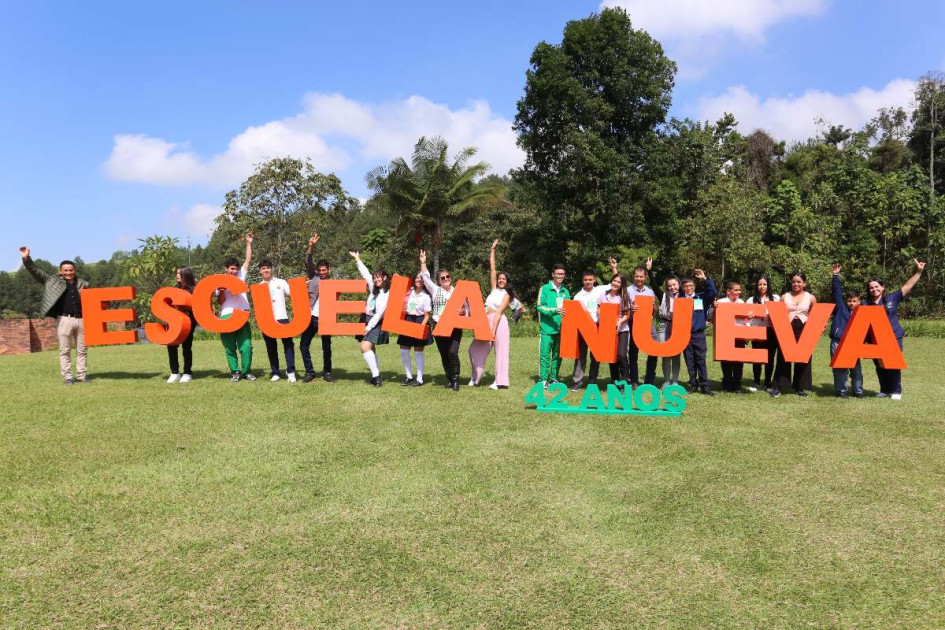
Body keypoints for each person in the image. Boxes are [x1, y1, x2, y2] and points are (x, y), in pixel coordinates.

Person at [19, 246, 90, 384]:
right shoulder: (52, 281)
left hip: (83, 320)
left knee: (82, 350)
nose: (68, 272)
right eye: (66, 270)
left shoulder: (83, 284)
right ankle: (68, 377)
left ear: (74, 271)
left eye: (71, 270)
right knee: (65, 350)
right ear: (61, 271)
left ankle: (82, 375)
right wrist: (26, 258)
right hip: (64, 319)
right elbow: (36, 272)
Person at [866, 259, 925, 400]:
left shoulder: (892, 298)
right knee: (880, 365)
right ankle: (885, 390)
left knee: (893, 364)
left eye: (876, 286)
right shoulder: (865, 304)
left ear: (883, 287)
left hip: (893, 336)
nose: (874, 289)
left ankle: (896, 391)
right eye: (871, 288)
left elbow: (908, 286)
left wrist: (918, 272)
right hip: (875, 339)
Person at [468, 239, 513, 389]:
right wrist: (492, 250)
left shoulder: (507, 295)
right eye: (499, 279)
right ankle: (476, 376)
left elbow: (499, 313)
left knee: (501, 352)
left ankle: (500, 382)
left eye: (503, 279)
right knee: (474, 349)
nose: (500, 280)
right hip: (485, 319)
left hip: (498, 322)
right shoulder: (494, 289)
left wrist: (492, 331)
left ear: (507, 282)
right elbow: (492, 268)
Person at [570, 258, 619, 391]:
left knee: (595, 355)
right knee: (581, 355)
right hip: (583, 328)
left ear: (595, 279)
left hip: (597, 327)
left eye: (590, 279)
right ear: (582, 280)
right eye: (586, 280)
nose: (588, 282)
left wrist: (614, 267)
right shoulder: (578, 296)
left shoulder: (600, 290)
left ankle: (592, 379)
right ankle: (577, 380)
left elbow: (615, 282)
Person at [420, 250, 465, 391]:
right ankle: (449, 379)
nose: (446, 279)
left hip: (455, 326)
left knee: (452, 352)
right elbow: (426, 279)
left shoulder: (458, 290)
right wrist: (423, 262)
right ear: (439, 281)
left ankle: (456, 379)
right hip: (439, 325)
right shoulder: (435, 290)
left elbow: (468, 308)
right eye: (442, 278)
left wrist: (464, 312)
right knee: (444, 353)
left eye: (447, 277)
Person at [771, 271, 816, 398]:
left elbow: (814, 315)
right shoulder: (784, 297)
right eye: (793, 282)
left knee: (803, 357)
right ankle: (778, 386)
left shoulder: (811, 298)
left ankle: (799, 386)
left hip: (804, 329)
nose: (796, 284)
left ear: (804, 283)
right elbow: (779, 313)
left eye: (799, 282)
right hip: (787, 328)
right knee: (782, 357)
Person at [218, 232, 255, 382]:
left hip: (242, 315)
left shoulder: (241, 276)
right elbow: (220, 301)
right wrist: (221, 290)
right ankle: (235, 372)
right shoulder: (218, 281)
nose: (234, 271)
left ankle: (247, 371)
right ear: (225, 268)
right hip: (226, 315)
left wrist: (248, 243)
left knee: (246, 346)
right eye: (231, 269)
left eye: (235, 269)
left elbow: (248, 260)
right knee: (229, 347)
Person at [351, 251, 390, 387]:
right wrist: (357, 259)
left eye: (378, 277)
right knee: (370, 348)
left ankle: (376, 376)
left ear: (385, 278)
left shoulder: (387, 294)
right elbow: (365, 273)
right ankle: (376, 374)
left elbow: (379, 314)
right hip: (366, 317)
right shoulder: (373, 288)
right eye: (375, 278)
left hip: (376, 321)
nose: (375, 280)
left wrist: (368, 327)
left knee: (364, 346)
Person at [300, 234, 334, 383]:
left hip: (326, 318)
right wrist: (311, 246)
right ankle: (310, 372)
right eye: (320, 270)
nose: (321, 273)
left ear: (329, 270)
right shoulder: (313, 277)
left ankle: (327, 372)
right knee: (303, 345)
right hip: (311, 317)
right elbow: (308, 261)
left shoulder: (334, 284)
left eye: (324, 270)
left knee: (326, 347)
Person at [257, 259, 297, 383]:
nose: (266, 270)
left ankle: (290, 371)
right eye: (263, 268)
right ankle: (275, 372)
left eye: (268, 267)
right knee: (271, 347)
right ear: (260, 271)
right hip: (267, 320)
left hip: (282, 317)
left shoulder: (281, 282)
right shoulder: (258, 287)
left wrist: (301, 287)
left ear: (272, 269)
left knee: (288, 345)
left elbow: (293, 294)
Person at [679, 269, 717, 396]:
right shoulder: (680, 299)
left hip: (698, 334)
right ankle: (693, 384)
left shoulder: (701, 297)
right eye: (686, 286)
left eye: (690, 286)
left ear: (694, 286)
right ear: (683, 287)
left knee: (700, 360)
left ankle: (705, 386)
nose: (688, 288)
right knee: (689, 360)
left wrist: (704, 278)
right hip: (684, 335)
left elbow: (713, 292)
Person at [829, 264, 863, 398]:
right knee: (840, 369)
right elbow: (837, 292)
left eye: (855, 301)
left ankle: (858, 391)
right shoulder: (841, 308)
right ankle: (841, 391)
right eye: (849, 301)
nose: (852, 303)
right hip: (838, 342)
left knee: (856, 370)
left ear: (859, 301)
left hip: (853, 343)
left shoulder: (862, 313)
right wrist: (836, 276)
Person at [536, 264, 571, 388]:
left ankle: (553, 378)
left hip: (561, 330)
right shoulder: (544, 288)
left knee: (557, 356)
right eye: (558, 273)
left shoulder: (565, 291)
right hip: (546, 329)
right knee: (545, 355)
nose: (560, 276)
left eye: (562, 274)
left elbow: (570, 310)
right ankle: (543, 380)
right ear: (553, 274)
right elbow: (539, 306)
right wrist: (555, 310)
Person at [627, 260, 659, 386]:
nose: (639, 278)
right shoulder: (627, 290)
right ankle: (634, 380)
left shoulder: (650, 291)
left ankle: (650, 378)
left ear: (645, 277)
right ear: (633, 277)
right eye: (636, 276)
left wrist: (653, 307)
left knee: (654, 349)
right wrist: (631, 309)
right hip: (633, 323)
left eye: (641, 276)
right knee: (633, 353)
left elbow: (653, 311)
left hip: (647, 324)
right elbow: (622, 308)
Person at [397, 273, 433, 386]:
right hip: (407, 320)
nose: (419, 280)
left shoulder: (426, 296)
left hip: (419, 321)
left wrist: (421, 327)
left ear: (425, 282)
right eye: (417, 277)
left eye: (421, 278)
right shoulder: (408, 292)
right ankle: (408, 376)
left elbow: (427, 315)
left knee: (418, 351)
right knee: (403, 350)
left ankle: (420, 378)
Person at [745, 276, 780, 393]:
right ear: (756, 286)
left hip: (771, 331)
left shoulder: (775, 298)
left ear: (768, 285)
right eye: (759, 284)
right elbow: (745, 318)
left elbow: (781, 315)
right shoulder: (751, 300)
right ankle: (756, 382)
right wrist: (748, 317)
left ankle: (768, 382)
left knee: (769, 357)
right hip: (757, 330)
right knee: (757, 358)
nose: (762, 286)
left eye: (764, 284)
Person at [166, 266, 197, 383]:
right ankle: (174, 373)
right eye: (177, 273)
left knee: (187, 347)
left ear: (186, 275)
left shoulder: (193, 290)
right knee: (171, 346)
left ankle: (187, 373)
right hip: (175, 322)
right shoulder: (174, 289)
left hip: (188, 322)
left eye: (179, 273)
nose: (177, 275)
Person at [716, 281, 747, 393]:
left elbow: (745, 320)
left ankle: (737, 386)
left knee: (738, 362)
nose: (738, 292)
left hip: (739, 335)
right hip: (725, 336)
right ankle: (727, 385)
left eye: (739, 290)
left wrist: (748, 318)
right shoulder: (720, 302)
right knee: (726, 362)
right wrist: (714, 308)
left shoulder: (742, 302)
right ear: (728, 291)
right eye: (736, 290)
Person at [655, 275, 683, 388]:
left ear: (679, 285)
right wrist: (650, 271)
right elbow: (654, 285)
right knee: (666, 354)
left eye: (674, 285)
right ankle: (666, 380)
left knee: (676, 355)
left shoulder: (684, 296)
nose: (672, 287)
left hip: (678, 326)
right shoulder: (663, 295)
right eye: (669, 285)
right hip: (664, 325)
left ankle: (675, 380)